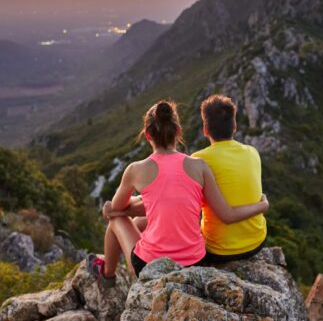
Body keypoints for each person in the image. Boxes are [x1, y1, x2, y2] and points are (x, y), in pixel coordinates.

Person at [88, 99, 268, 285]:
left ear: (148, 135)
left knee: (116, 220)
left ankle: (107, 274)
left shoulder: (135, 169)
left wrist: (112, 209)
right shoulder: (199, 166)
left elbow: (118, 208)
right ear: (178, 131)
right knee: (142, 221)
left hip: (152, 267)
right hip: (196, 262)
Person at [192, 94, 267, 263]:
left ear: (205, 130)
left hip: (219, 250)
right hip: (258, 241)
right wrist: (263, 205)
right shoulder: (252, 152)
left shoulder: (197, 160)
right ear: (234, 126)